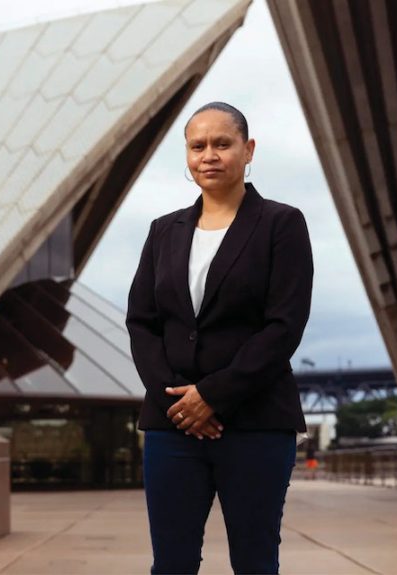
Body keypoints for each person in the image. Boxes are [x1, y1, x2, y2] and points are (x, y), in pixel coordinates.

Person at [126, 101, 314, 575]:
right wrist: (179, 402)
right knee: (171, 564)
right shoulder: (162, 231)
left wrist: (212, 396)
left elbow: (283, 326)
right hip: (173, 428)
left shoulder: (281, 224)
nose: (209, 154)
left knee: (254, 562)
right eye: (197, 145)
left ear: (248, 150)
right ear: (187, 156)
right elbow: (142, 323)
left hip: (254, 423)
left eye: (222, 143)